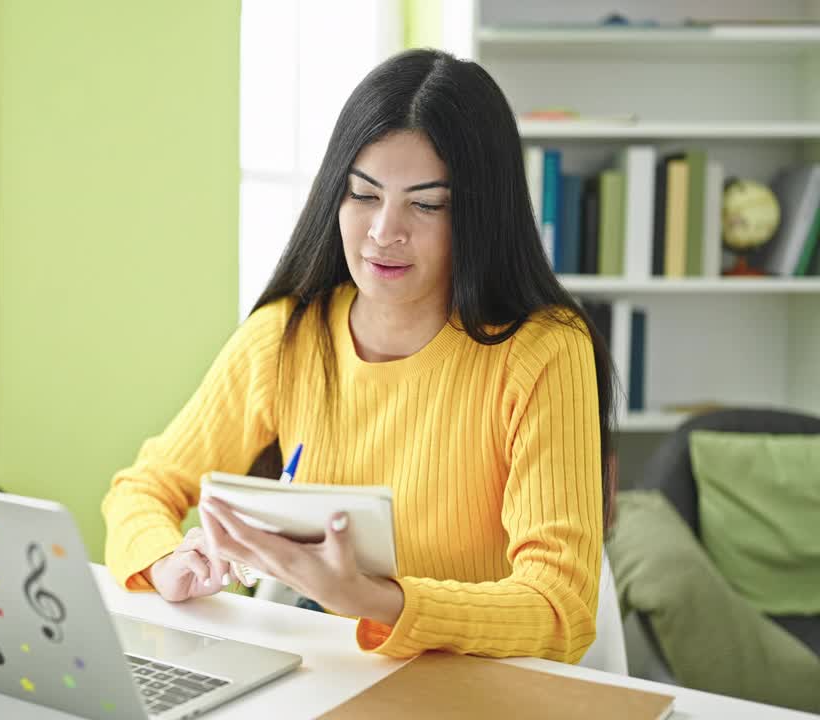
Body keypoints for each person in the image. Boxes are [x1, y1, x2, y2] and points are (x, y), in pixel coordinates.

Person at [101, 48, 615, 664]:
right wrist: (167, 561)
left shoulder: (542, 352)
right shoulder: (287, 336)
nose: (383, 231)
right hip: (331, 679)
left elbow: (560, 606)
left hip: (478, 687)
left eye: (426, 204)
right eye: (364, 195)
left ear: (479, 214)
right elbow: (143, 488)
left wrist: (382, 601)